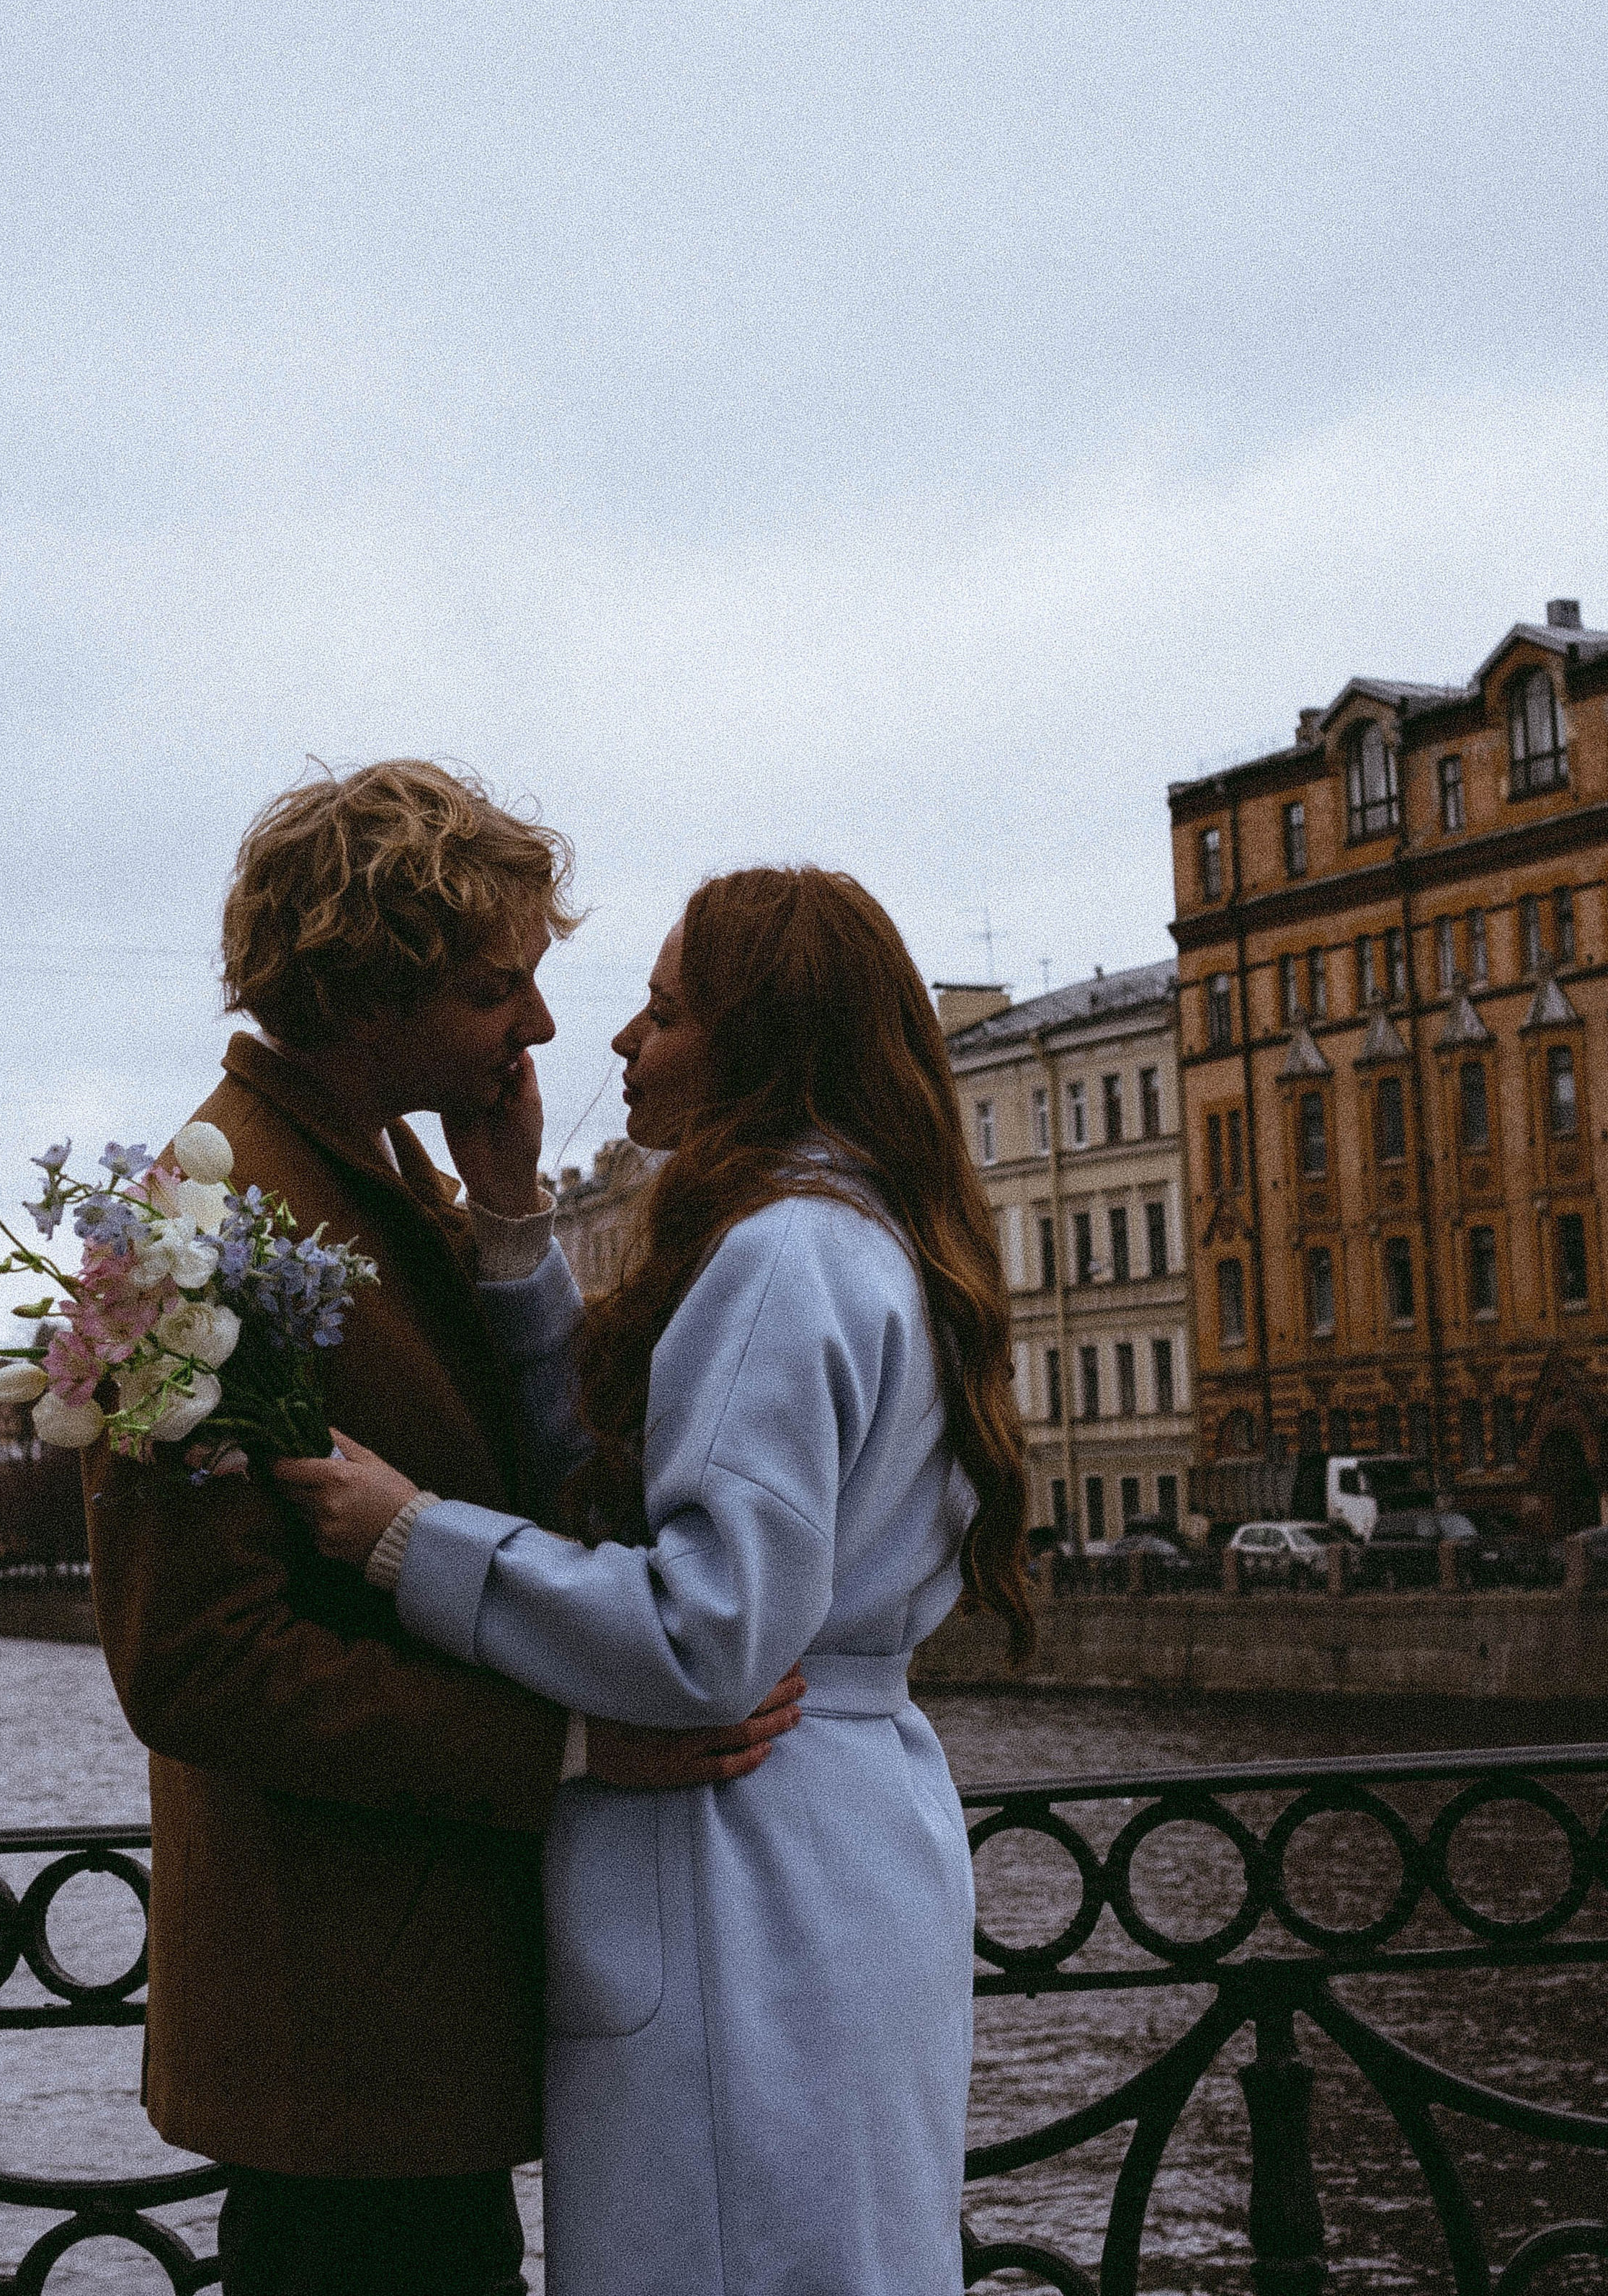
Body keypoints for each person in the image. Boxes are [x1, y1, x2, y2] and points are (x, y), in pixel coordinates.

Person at [86, 764, 800, 2296]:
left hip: (401, 2013)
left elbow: (506, 1484)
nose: (541, 1029)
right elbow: (196, 1664)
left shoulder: (365, 1173)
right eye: (498, 988)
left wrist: (503, 1216)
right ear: (364, 991)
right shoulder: (196, 1224)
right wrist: (568, 1749)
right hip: (335, 2031)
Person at [278, 866, 1033, 2296]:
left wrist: (408, 1535)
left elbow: (702, 1638)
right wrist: (515, 1228)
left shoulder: (777, 1257)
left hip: (738, 1861)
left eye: (665, 1008)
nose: (618, 1041)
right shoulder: (862, 1231)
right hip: (843, 1837)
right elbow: (638, 1499)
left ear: (757, 1041)